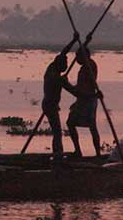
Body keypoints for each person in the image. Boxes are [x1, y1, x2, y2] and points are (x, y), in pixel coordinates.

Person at [42, 32, 79, 161]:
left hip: (49, 104)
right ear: (60, 65)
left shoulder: (52, 67)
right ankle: (57, 156)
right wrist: (93, 95)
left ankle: (58, 154)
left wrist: (74, 40)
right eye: (65, 65)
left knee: (57, 132)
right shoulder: (56, 77)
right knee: (57, 132)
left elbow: (64, 52)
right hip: (50, 105)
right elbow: (74, 92)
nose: (66, 66)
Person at [64, 38, 102, 157]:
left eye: (78, 57)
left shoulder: (89, 66)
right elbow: (81, 87)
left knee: (90, 126)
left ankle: (97, 154)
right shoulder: (86, 67)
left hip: (88, 100)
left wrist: (67, 85)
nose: (76, 60)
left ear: (83, 56)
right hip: (84, 99)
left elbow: (83, 90)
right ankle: (80, 151)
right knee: (72, 123)